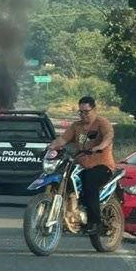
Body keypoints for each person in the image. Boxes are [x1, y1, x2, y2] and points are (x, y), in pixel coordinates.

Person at [48, 96, 115, 235]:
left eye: (86, 111)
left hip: (102, 166)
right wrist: (50, 147)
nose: (83, 115)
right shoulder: (76, 126)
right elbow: (62, 139)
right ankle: (70, 212)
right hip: (81, 165)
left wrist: (100, 146)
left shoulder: (102, 123)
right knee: (63, 177)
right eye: (81, 112)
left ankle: (95, 222)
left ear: (94, 109)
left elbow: (108, 136)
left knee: (89, 181)